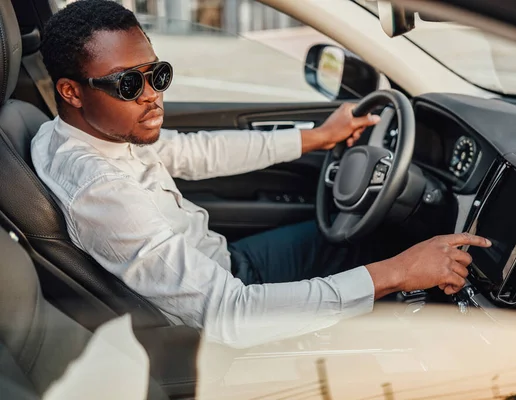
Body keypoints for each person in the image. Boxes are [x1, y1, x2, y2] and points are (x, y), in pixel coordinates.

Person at [32, 0, 490, 348]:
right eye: (128, 84)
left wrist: (316, 137)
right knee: (389, 257)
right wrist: (397, 274)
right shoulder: (103, 191)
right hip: (226, 311)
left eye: (158, 74)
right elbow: (230, 314)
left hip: (224, 263)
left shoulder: (63, 133)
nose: (152, 96)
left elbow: (195, 150)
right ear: (71, 91)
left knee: (362, 240)